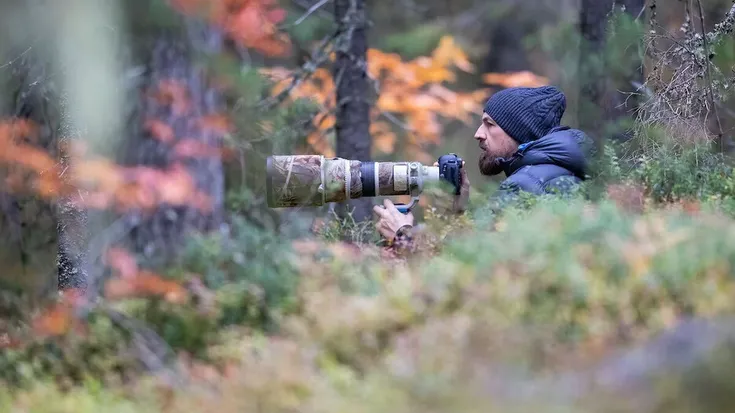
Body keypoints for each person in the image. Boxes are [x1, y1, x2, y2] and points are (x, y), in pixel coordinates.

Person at [373, 85, 591, 251]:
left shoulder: (524, 185)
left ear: (520, 133)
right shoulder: (559, 172)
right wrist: (458, 209)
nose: (478, 133)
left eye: (490, 124)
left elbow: (466, 266)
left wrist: (402, 235)